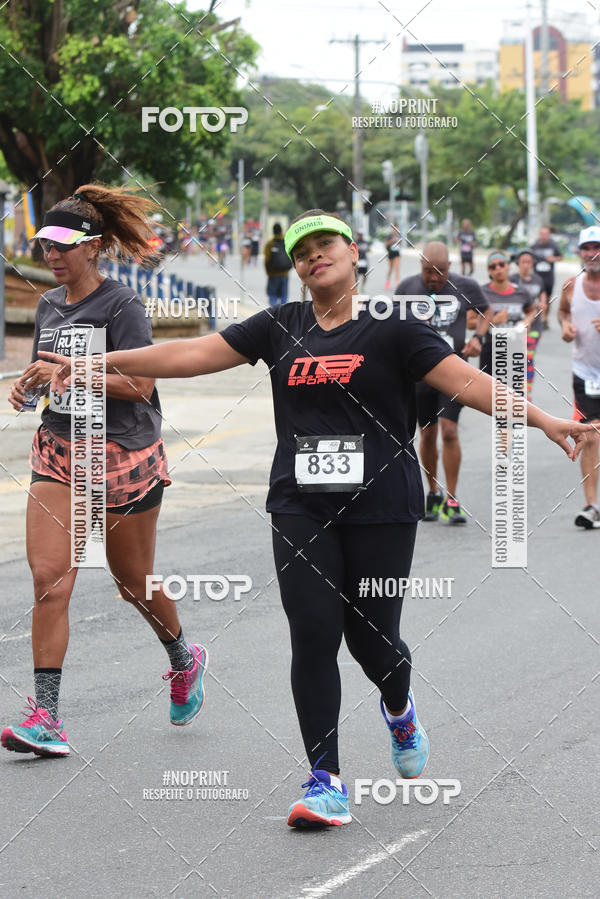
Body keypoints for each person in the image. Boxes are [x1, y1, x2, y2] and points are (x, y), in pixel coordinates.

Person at [41, 210, 593, 827]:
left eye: (324, 244)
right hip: (300, 504)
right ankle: (324, 780)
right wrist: (92, 364)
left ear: (354, 252)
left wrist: (546, 421)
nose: (312, 257)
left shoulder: (394, 328)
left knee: (372, 639)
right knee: (312, 632)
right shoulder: (281, 325)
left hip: (382, 505)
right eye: (301, 252)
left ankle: (399, 703)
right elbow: (193, 351)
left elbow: (469, 382)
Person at [1, 185, 208, 759]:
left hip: (121, 455)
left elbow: (140, 385)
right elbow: (50, 373)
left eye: (64, 245)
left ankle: (182, 655)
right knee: (49, 580)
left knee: (131, 582)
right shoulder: (48, 306)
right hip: (59, 450)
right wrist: (31, 384)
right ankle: (47, 716)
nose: (52, 254)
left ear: (93, 247)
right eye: (46, 244)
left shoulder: (123, 307)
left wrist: (82, 372)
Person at [397, 241, 493, 524]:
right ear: (420, 267)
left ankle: (452, 498)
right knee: (427, 434)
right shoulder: (406, 288)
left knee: (449, 431)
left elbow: (486, 310)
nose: (434, 278)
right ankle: (432, 492)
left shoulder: (467, 286)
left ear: (450, 267)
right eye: (428, 272)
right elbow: (392, 324)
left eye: (440, 272)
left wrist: (478, 337)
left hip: (455, 373)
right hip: (421, 375)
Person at [558, 226, 600, 528]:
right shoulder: (571, 285)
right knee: (589, 435)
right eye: (586, 247)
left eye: (596, 246)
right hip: (585, 373)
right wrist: (566, 326)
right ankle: (591, 505)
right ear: (579, 252)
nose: (591, 253)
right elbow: (563, 312)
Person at [479, 251, 535, 377]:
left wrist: (527, 321)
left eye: (501, 264)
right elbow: (470, 322)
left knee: (514, 395)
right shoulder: (482, 293)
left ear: (508, 266)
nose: (498, 268)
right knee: (488, 394)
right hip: (491, 350)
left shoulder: (521, 292)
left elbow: (532, 311)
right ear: (489, 271)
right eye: (493, 266)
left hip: (515, 348)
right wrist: (493, 320)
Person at [511, 249, 548, 397]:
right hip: (516, 324)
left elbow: (542, 295)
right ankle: (514, 390)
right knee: (516, 357)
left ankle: (527, 392)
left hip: (535, 325)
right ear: (518, 264)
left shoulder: (537, 280)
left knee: (528, 357)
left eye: (529, 262)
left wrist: (543, 305)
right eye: (523, 262)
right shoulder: (512, 280)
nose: (526, 265)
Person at [531, 225, 563, 314]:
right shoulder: (535, 246)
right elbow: (529, 257)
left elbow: (560, 257)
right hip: (537, 276)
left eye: (545, 234)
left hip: (548, 277)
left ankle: (545, 317)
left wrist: (552, 259)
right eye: (541, 233)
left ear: (549, 235)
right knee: (539, 298)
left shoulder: (553, 245)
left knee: (548, 299)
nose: (543, 236)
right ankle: (541, 318)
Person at [263, 222, 292, 306]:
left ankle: (275, 315)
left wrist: (268, 272)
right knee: (284, 296)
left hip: (273, 274)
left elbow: (266, 260)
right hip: (285, 274)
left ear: (273, 231)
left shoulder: (270, 244)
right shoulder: (286, 242)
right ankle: (283, 315)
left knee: (272, 295)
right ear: (281, 231)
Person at [384, 224, 401, 289]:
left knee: (397, 268)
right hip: (391, 253)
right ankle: (387, 282)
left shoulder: (399, 236)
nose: (396, 230)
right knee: (390, 269)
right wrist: (392, 241)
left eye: (397, 229)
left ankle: (397, 283)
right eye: (395, 229)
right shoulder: (389, 236)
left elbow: (400, 244)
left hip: (397, 253)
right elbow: (386, 244)